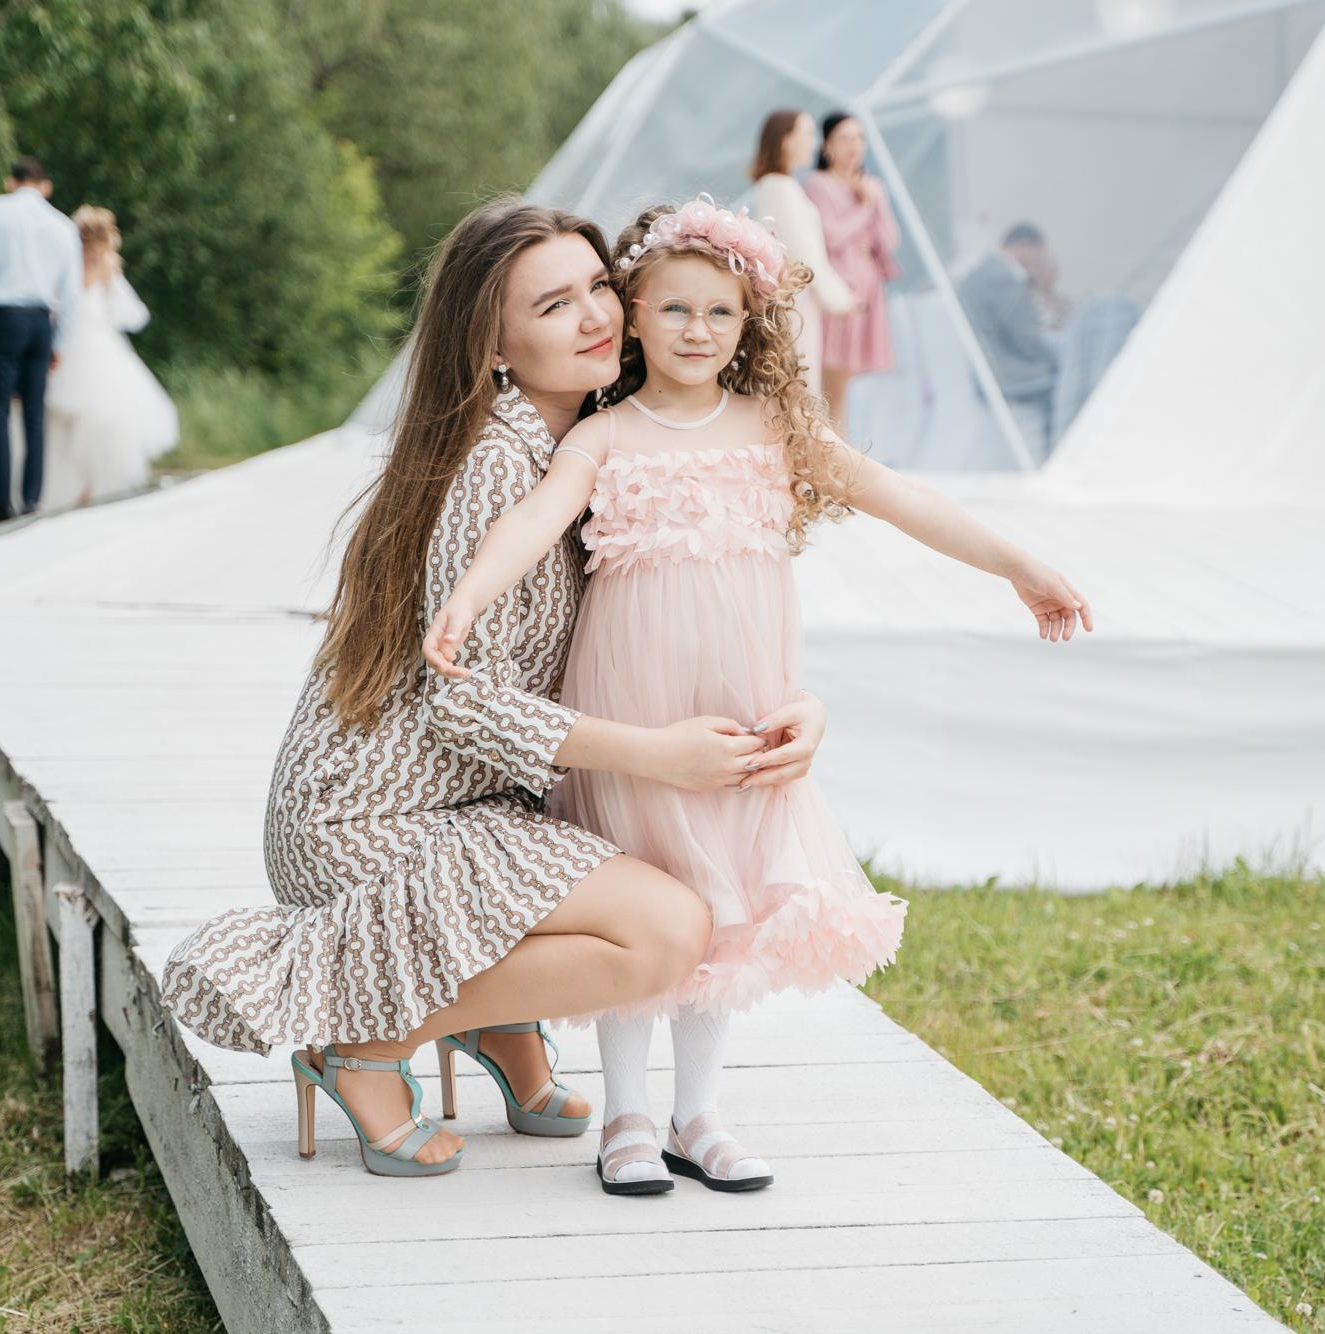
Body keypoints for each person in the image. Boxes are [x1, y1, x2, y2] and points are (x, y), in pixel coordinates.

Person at [422, 197, 1092, 1195]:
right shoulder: (607, 435)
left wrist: (1016, 564)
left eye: (720, 315)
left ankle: (697, 1112)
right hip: (640, 704)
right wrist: (466, 599)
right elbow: (534, 516)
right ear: (635, 312)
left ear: (748, 328)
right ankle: (628, 1116)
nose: (697, 331)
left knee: (725, 896)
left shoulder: (774, 427)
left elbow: (899, 494)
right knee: (659, 886)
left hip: (745, 701)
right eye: (676, 309)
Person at [160, 199, 832, 1178]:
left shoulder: (597, 437)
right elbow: (458, 707)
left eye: (599, 285)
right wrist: (658, 753)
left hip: (468, 797)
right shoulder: (492, 465)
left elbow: (691, 611)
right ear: (494, 351)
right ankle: (362, 1036)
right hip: (368, 816)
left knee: (661, 888)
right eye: (554, 304)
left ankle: (498, 1027)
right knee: (666, 932)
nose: (595, 315)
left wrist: (797, 708)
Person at [0, 155, 83, 521]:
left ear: (11, 181)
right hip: (41, 321)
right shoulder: (62, 224)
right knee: (34, 412)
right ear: (42, 184)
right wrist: (60, 340)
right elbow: (71, 292)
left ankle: (1, 501)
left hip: (4, 319)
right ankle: (31, 499)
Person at [39, 205, 177, 511]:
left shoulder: (68, 263)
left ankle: (77, 486)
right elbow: (130, 312)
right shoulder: (107, 266)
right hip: (94, 341)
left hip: (72, 343)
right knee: (103, 417)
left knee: (66, 422)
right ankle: (92, 484)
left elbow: (55, 305)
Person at [803, 112, 901, 430]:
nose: (854, 146)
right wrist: (865, 207)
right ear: (827, 145)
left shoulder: (872, 186)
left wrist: (874, 202)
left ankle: (839, 446)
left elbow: (888, 240)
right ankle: (836, 449)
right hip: (838, 291)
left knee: (845, 381)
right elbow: (831, 236)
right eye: (845, 138)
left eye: (859, 138)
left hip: (868, 291)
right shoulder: (818, 184)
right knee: (832, 378)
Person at [747, 109, 855, 395]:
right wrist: (841, 298)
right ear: (785, 140)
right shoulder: (779, 188)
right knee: (802, 388)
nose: (812, 142)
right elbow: (805, 256)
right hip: (795, 303)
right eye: (806, 133)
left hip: (799, 301)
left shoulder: (781, 186)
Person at [958, 223, 1063, 418]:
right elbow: (1028, 342)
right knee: (1068, 380)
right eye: (1039, 253)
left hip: (990, 374)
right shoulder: (1003, 277)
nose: (1039, 261)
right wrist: (1063, 359)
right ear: (1024, 246)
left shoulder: (979, 274)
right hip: (1009, 376)